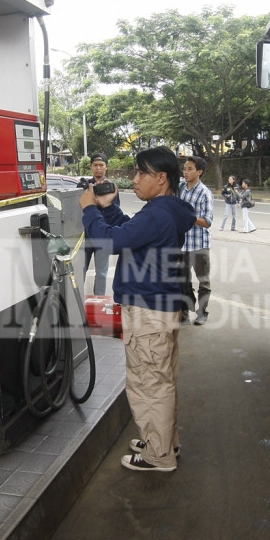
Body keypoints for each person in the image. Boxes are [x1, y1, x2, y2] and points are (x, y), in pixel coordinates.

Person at [80, 146, 196, 472]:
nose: (135, 180)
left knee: (148, 384)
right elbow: (132, 234)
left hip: (147, 311)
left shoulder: (156, 214)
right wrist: (109, 208)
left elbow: (110, 242)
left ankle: (158, 457)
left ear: (161, 178)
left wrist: (90, 210)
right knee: (161, 381)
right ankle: (162, 442)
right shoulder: (169, 211)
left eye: (140, 173)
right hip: (162, 309)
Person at [178, 156, 213, 326]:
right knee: (182, 280)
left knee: (203, 281)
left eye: (190, 169)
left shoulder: (205, 193)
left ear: (199, 172)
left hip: (199, 244)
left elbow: (207, 221)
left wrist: (189, 217)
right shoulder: (182, 189)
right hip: (183, 244)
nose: (186, 172)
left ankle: (202, 312)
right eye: (185, 168)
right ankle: (184, 312)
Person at [81, 152, 119, 295]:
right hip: (85, 236)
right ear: (91, 167)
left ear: (106, 167)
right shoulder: (84, 186)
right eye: (95, 165)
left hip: (103, 235)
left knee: (102, 273)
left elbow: (115, 212)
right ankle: (77, 303)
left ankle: (99, 303)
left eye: (101, 165)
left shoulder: (110, 187)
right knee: (81, 270)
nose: (98, 168)